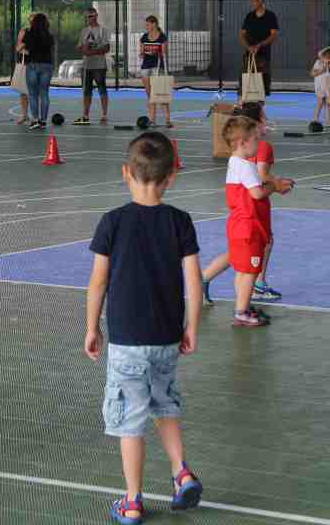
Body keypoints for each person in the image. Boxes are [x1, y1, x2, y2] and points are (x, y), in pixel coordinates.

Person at [85, 132, 204, 523]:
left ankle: (133, 500)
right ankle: (181, 472)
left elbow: (98, 282)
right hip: (167, 337)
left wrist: (91, 327)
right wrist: (192, 326)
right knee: (164, 403)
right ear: (171, 177)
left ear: (126, 173)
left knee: (130, 422)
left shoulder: (112, 222)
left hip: (127, 341)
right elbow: (193, 281)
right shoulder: (180, 221)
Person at [201, 102, 283, 310]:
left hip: (244, 216)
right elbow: (260, 179)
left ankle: (210, 281)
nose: (266, 121)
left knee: (238, 254)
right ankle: (254, 291)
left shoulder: (237, 158)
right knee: (255, 252)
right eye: (264, 117)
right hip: (251, 217)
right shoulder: (260, 149)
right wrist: (276, 185)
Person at [221, 115, 294, 327]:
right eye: (255, 138)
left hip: (241, 226)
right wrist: (275, 187)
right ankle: (241, 313)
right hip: (248, 227)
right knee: (250, 273)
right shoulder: (245, 166)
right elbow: (257, 193)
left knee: (243, 271)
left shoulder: (235, 162)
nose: (259, 142)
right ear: (242, 143)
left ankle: (242, 306)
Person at [239, 0, 280, 102]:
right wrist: (249, 47)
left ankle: (260, 109)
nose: (252, 3)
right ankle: (243, 104)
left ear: (260, 0)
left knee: (262, 82)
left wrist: (259, 45)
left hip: (263, 56)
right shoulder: (249, 16)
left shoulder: (270, 16)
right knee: (245, 80)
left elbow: (274, 35)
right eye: (251, 1)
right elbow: (242, 35)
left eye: (253, 1)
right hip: (249, 54)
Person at [75, 7, 111, 125]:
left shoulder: (102, 30)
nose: (88, 18)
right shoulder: (84, 31)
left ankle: (104, 115)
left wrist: (93, 52)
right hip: (86, 66)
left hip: (99, 65)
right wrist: (82, 49)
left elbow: (107, 47)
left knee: (102, 89)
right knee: (86, 91)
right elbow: (80, 46)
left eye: (90, 16)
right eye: (86, 17)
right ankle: (85, 115)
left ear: (96, 16)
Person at [21, 12, 55, 131]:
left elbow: (20, 47)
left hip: (33, 65)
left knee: (33, 94)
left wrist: (25, 51)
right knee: (44, 93)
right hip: (47, 65)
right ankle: (43, 121)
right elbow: (51, 50)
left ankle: (35, 120)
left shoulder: (29, 34)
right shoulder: (49, 35)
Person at [139, 15, 171, 128]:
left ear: (154, 24)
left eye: (148, 24)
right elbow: (141, 52)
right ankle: (152, 120)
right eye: (146, 24)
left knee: (161, 94)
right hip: (146, 68)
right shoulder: (144, 37)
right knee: (150, 95)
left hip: (157, 67)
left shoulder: (162, 37)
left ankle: (167, 119)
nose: (146, 26)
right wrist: (142, 53)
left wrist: (156, 52)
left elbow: (164, 52)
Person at [310, 47, 330, 128]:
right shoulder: (318, 62)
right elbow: (312, 73)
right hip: (320, 86)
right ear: (323, 57)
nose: (329, 60)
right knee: (320, 103)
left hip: (327, 86)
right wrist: (322, 70)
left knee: (328, 103)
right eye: (327, 58)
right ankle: (315, 119)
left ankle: (328, 121)